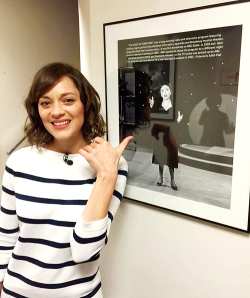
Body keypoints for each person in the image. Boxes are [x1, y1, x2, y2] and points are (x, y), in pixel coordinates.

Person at [0, 62, 132, 298]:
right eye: (46, 102)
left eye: (68, 100)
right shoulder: (18, 162)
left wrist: (105, 176)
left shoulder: (110, 165)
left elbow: (85, 251)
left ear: (85, 104)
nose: (56, 111)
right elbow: (6, 235)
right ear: (37, 111)